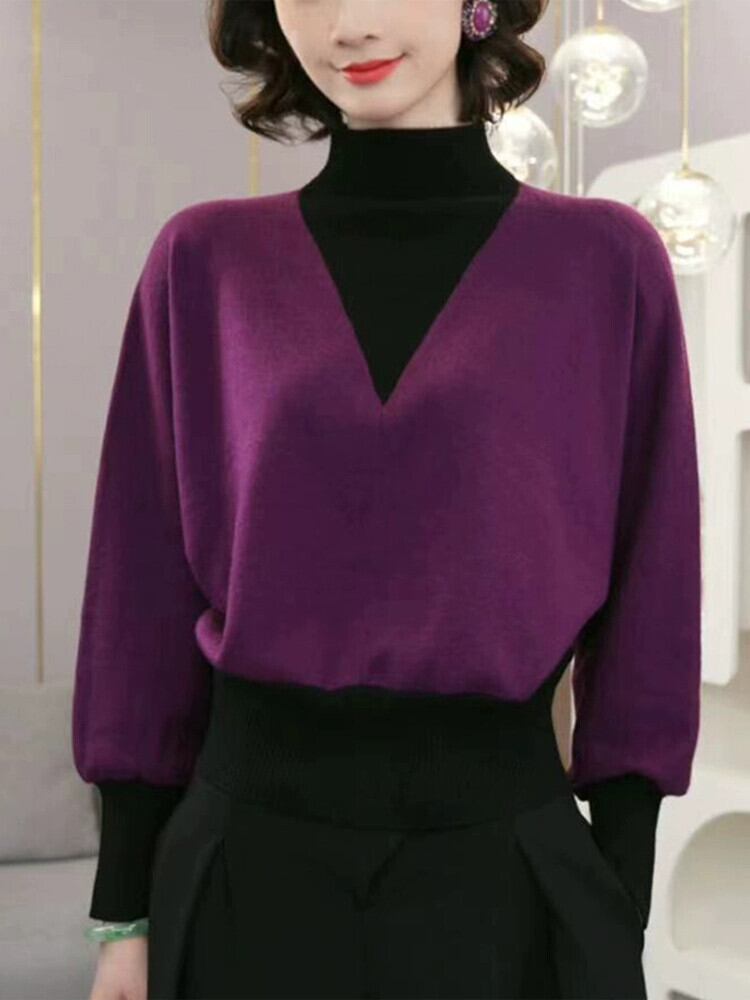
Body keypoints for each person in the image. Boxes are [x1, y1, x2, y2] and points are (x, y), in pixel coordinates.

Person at [72, 1, 702, 998]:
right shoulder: (204, 262)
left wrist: (616, 897)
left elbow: (653, 582)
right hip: (244, 872)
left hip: (508, 876)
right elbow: (138, 595)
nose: (352, 24)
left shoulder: (605, 262)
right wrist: (124, 916)